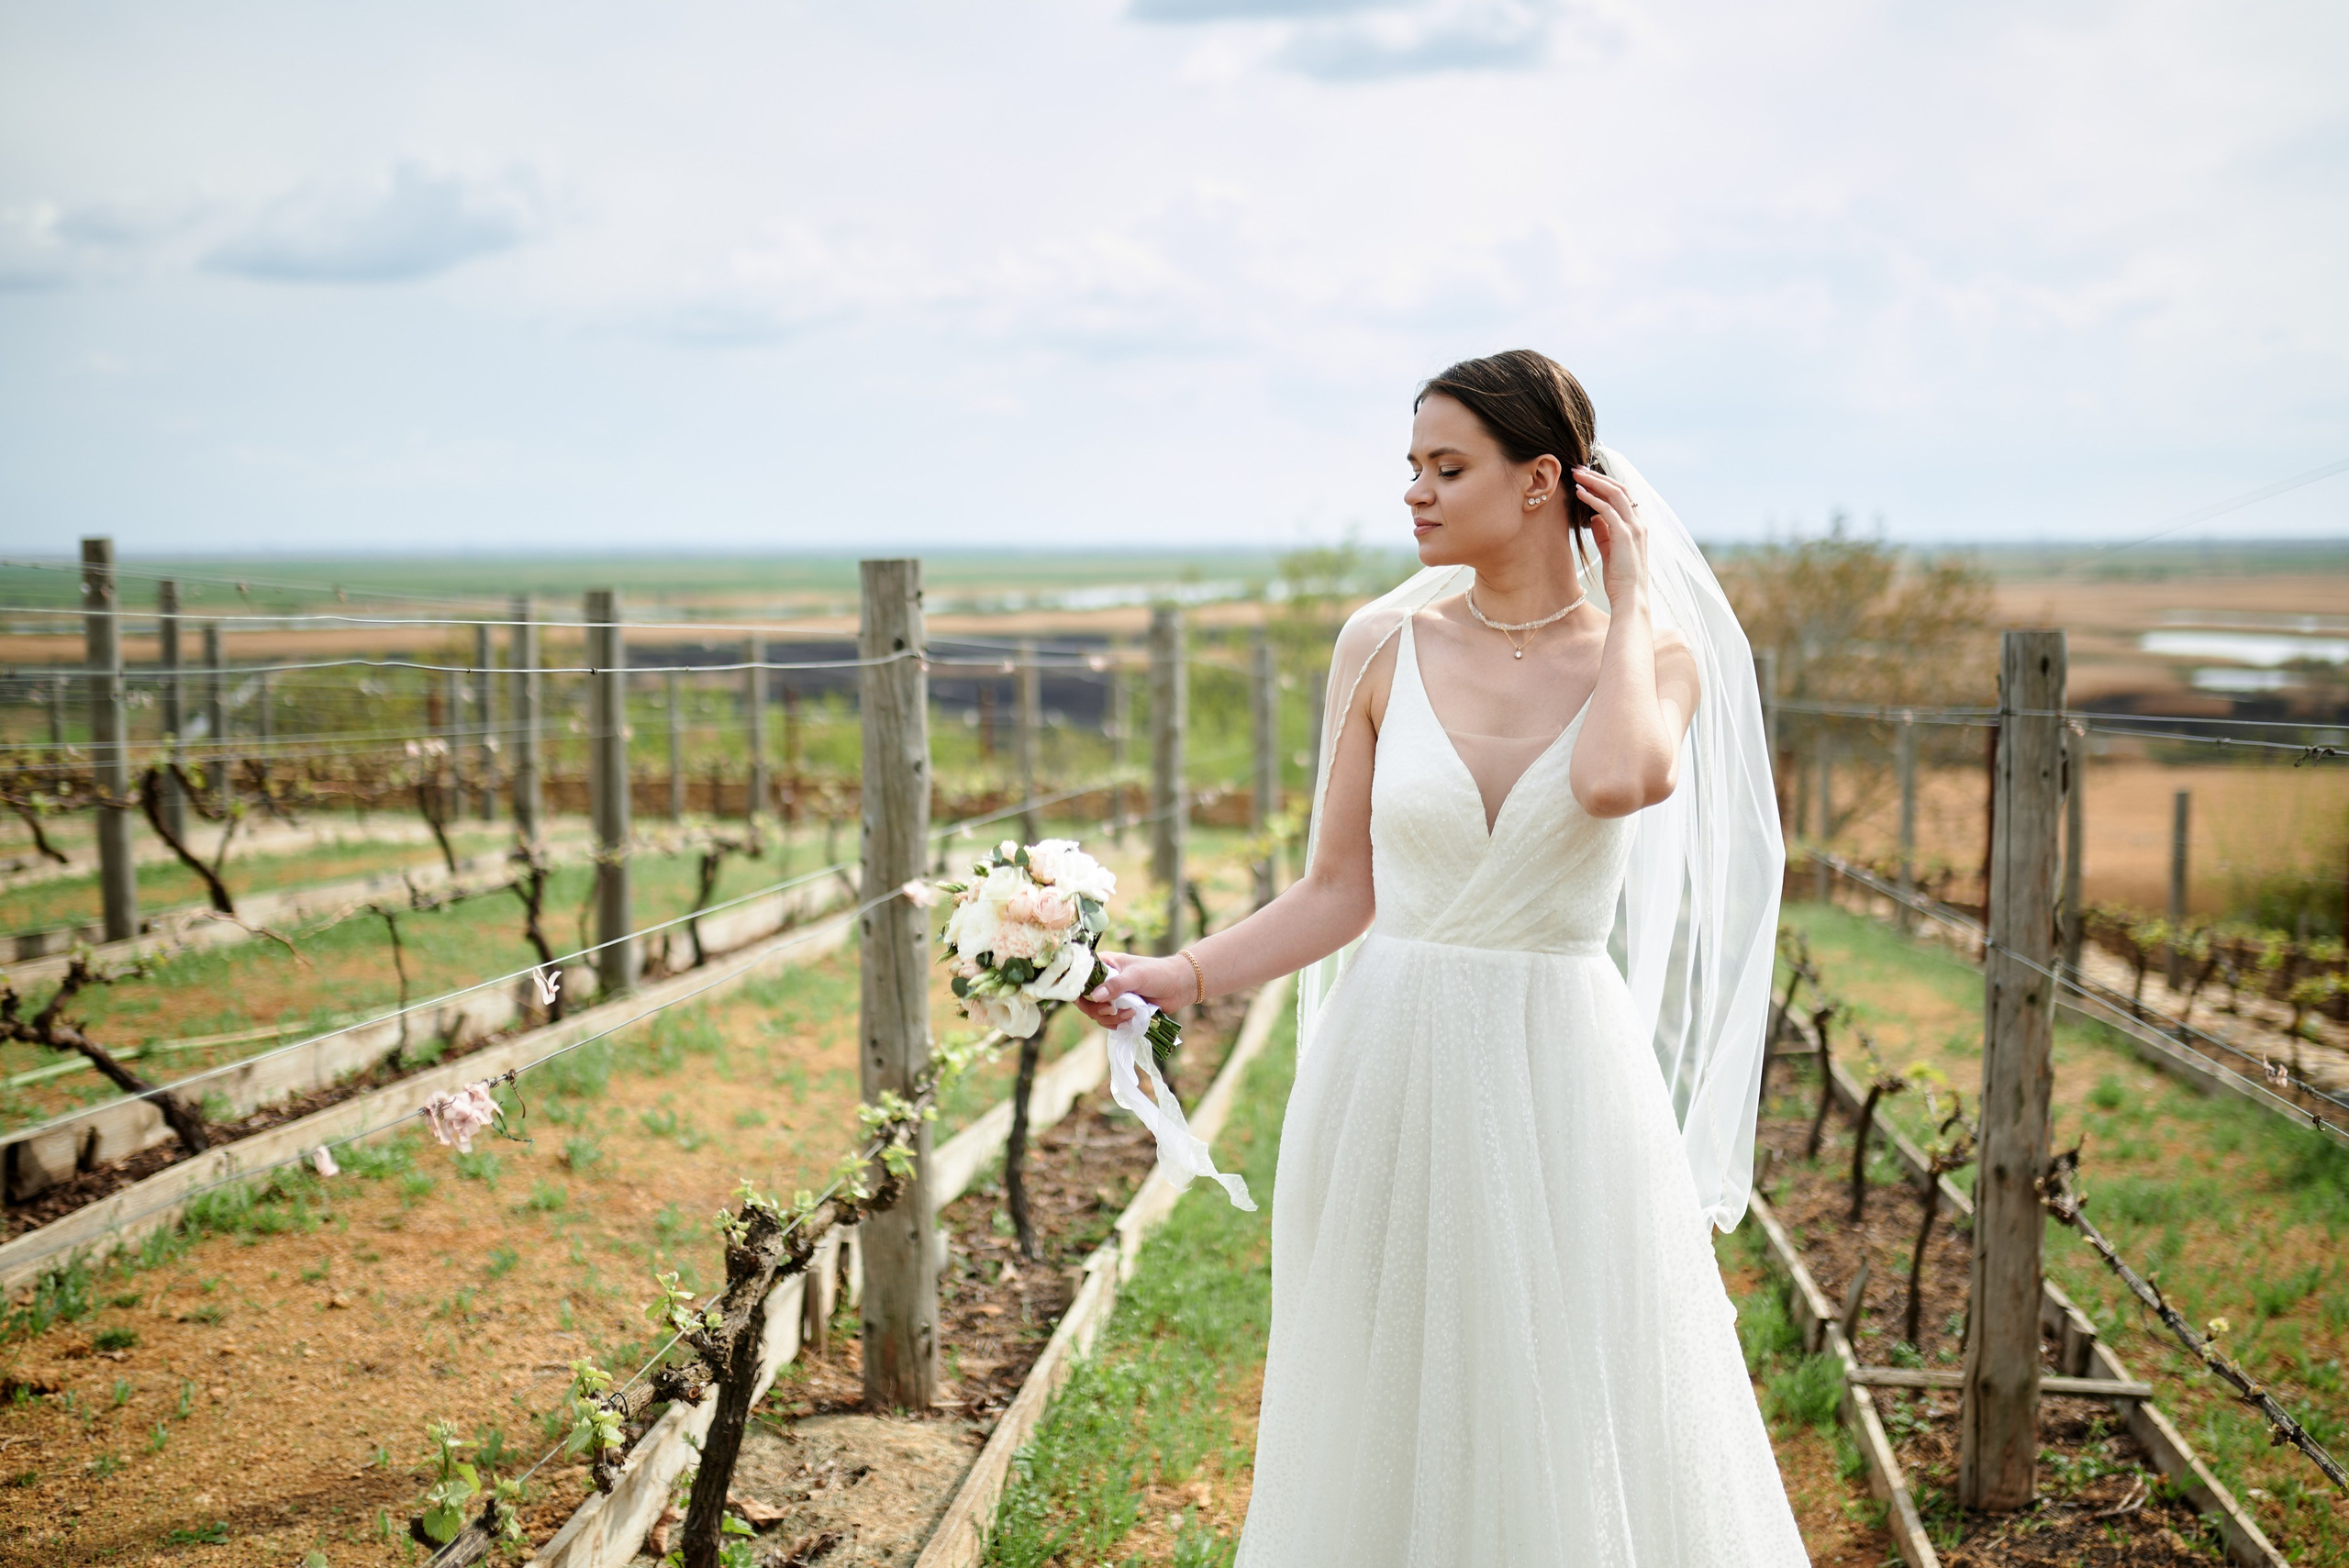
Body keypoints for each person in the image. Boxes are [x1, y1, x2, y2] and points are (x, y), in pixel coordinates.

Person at [1077, 350, 1809, 1564]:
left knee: (1561, 1386)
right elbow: (1339, 887)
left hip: (1562, 1074)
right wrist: (1179, 973)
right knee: (1390, 1392)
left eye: (1447, 467)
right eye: (1411, 465)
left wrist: (1629, 594)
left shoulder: (1654, 660)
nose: (1414, 492)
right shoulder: (1378, 644)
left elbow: (1615, 778)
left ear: (1541, 481)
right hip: (1391, 1064)